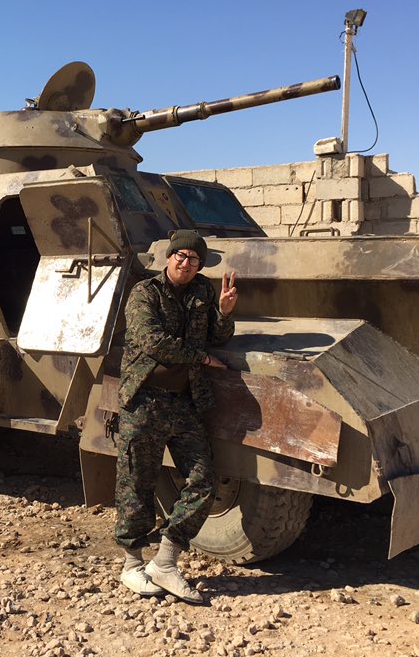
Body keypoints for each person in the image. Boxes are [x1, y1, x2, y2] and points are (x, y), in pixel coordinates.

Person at [114, 229, 238, 604]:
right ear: (168, 257)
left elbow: (217, 336)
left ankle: (165, 562)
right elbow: (150, 340)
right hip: (144, 400)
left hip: (184, 402)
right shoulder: (144, 293)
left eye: (194, 259)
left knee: (203, 480)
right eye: (181, 256)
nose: (186, 264)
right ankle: (131, 564)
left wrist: (225, 313)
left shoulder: (202, 292)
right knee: (137, 483)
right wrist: (200, 358)